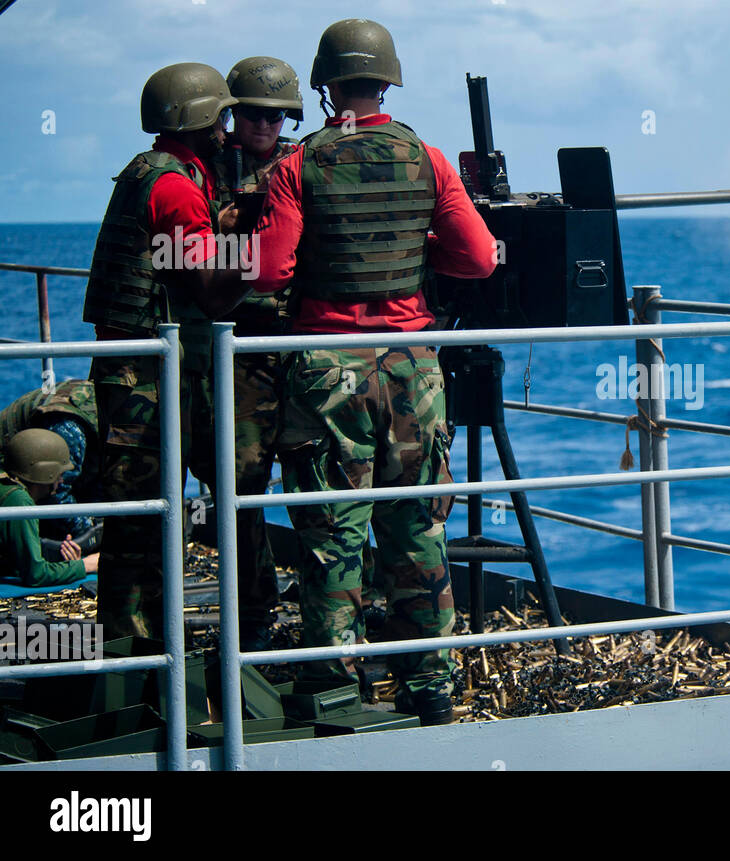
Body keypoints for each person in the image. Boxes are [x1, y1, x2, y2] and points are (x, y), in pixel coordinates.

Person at [251, 18, 497, 724]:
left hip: (327, 372)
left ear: (326, 87)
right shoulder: (429, 158)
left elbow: (270, 272)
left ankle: (334, 688)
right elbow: (480, 259)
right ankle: (432, 687)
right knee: (418, 525)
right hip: (414, 372)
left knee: (333, 533)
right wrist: (420, 263)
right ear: (388, 81)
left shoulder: (299, 167)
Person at [82, 62, 254, 640]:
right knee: (145, 518)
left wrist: (216, 228)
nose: (228, 129)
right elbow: (207, 289)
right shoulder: (178, 188)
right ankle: (140, 655)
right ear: (199, 118)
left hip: (135, 366)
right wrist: (254, 257)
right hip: (146, 379)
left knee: (140, 512)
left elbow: (172, 261)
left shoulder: (148, 171)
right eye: (222, 116)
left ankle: (134, 651)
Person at [204, 56, 306, 650]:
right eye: (252, 114)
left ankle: (334, 599)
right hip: (237, 345)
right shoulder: (208, 170)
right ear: (231, 114)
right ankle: (253, 608)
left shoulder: (302, 166)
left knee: (318, 475)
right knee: (240, 484)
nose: (264, 125)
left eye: (275, 115)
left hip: (294, 340)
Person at [0, 379, 100, 544]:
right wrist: (91, 534)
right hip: (14, 483)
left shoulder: (99, 400)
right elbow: (56, 491)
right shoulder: (70, 427)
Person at [0, 429, 99, 586]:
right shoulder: (18, 500)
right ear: (44, 472)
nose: (61, 480)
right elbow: (35, 575)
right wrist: (86, 565)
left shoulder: (7, 486)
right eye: (59, 473)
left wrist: (67, 564)